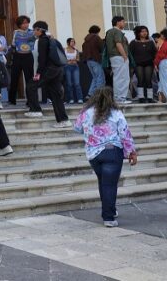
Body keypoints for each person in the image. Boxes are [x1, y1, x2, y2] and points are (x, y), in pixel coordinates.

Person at [73, 87, 137, 227]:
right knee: (109, 184)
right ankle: (108, 217)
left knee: (104, 182)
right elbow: (125, 134)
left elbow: (77, 128)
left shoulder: (85, 112)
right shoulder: (116, 113)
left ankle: (110, 210)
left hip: (93, 154)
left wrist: (90, 130)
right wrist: (131, 152)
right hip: (112, 152)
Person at [25, 21, 70, 127]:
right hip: (58, 70)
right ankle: (64, 120)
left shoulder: (42, 41)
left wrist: (38, 73)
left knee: (31, 85)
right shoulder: (51, 39)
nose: (33, 32)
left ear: (39, 30)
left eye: (34, 30)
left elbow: (42, 59)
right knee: (56, 96)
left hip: (49, 71)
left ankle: (35, 110)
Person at [8, 15, 35, 106]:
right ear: (19, 24)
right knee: (14, 77)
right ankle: (12, 100)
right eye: (23, 23)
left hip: (28, 56)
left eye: (27, 23)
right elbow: (13, 44)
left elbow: (40, 36)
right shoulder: (16, 32)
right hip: (17, 56)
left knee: (29, 79)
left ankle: (30, 100)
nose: (25, 25)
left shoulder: (32, 32)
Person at [105, 16, 131, 104]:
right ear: (118, 22)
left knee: (118, 77)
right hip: (119, 56)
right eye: (123, 21)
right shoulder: (117, 31)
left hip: (114, 57)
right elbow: (118, 44)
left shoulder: (109, 32)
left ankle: (118, 98)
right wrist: (125, 56)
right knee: (123, 78)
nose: (124, 23)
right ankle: (120, 98)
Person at [130, 26, 157, 103]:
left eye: (146, 31)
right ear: (138, 33)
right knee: (140, 80)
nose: (144, 33)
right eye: (142, 31)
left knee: (148, 80)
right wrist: (131, 65)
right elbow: (130, 54)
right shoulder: (133, 42)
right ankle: (141, 97)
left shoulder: (151, 42)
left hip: (149, 63)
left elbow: (155, 54)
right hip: (138, 64)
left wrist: (155, 64)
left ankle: (150, 98)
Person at [82, 25, 105, 99]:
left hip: (88, 61)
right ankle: (99, 95)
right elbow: (102, 48)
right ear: (97, 31)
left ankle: (90, 94)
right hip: (95, 59)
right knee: (100, 77)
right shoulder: (96, 38)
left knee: (95, 77)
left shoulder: (86, 41)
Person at [64, 38, 83, 104]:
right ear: (68, 43)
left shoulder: (76, 50)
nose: (73, 43)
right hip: (67, 67)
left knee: (77, 83)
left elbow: (78, 59)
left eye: (74, 42)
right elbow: (63, 59)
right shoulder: (64, 50)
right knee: (69, 84)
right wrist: (69, 61)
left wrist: (74, 60)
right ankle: (71, 98)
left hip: (75, 67)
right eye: (71, 41)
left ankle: (80, 98)